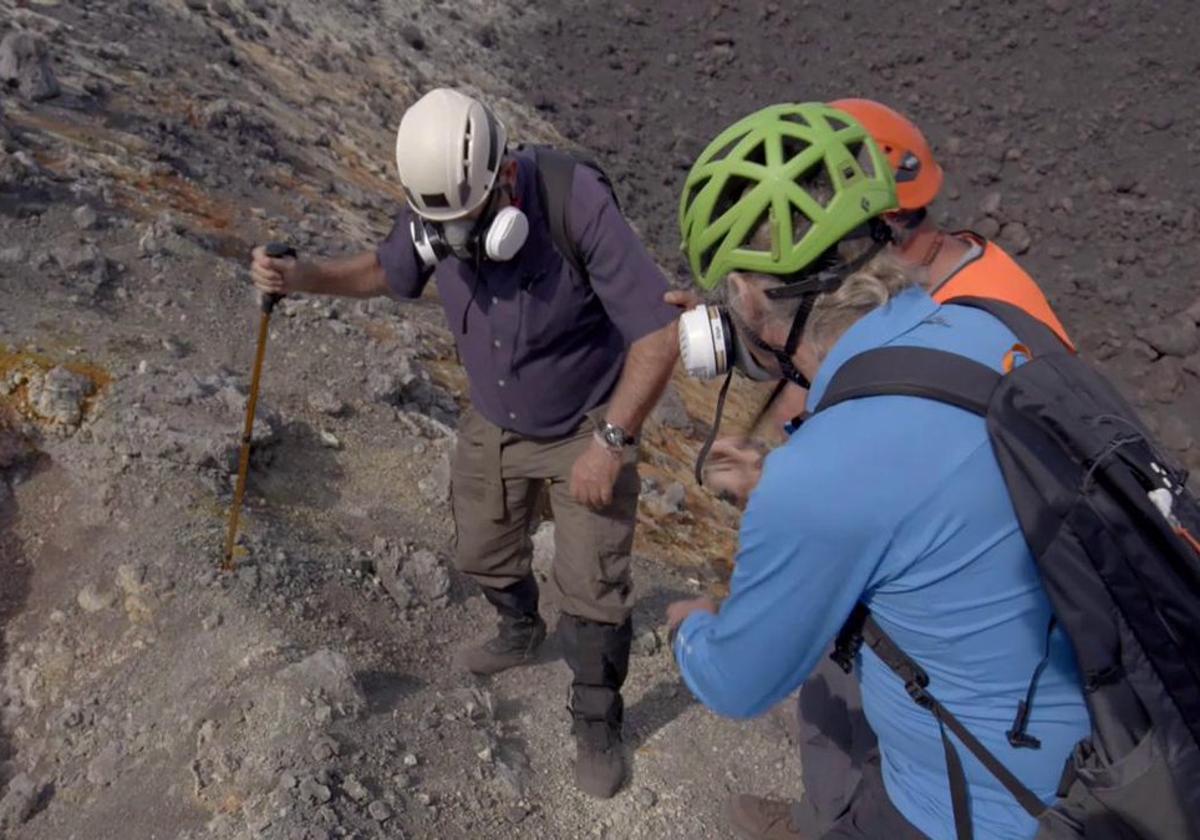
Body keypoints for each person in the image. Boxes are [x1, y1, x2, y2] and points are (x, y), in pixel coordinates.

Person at [665, 102, 1090, 839]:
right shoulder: (992, 327)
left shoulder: (819, 478)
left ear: (746, 296)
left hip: (979, 810)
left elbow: (738, 683)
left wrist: (692, 630)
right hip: (1105, 754)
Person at [250, 87, 680, 798]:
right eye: (436, 223)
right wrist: (304, 279)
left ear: (503, 176)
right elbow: (385, 273)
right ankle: (519, 628)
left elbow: (658, 334)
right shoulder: (435, 203)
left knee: (594, 592)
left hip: (585, 424)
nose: (451, 238)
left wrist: (612, 440)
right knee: (479, 551)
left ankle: (596, 718)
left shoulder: (574, 203)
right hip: (493, 419)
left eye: (468, 219)